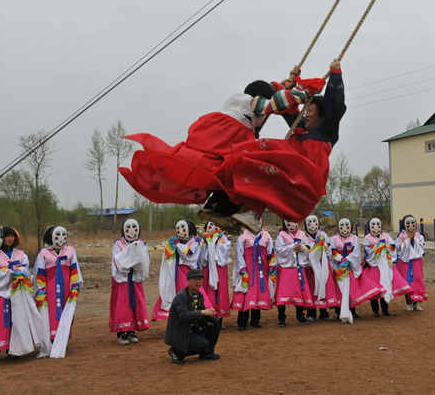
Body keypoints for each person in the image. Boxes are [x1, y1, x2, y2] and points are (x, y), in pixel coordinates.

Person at [217, 60, 345, 230]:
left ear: (321, 116)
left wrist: (335, 77)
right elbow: (289, 110)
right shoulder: (300, 128)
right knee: (255, 164)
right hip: (290, 176)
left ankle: (248, 210)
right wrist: (289, 86)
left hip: (306, 179)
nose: (305, 115)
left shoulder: (327, 131)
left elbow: (334, 105)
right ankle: (247, 211)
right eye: (305, 111)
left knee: (265, 151)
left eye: (310, 112)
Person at [119, 78, 281, 206]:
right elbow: (267, 105)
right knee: (244, 171)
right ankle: (228, 206)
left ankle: (216, 203)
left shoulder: (239, 105)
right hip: (222, 143)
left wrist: (278, 86)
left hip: (211, 140)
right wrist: (291, 96)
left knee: (222, 172)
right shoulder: (250, 104)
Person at [0, 227, 49, 360]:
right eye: (6, 236)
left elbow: (26, 269)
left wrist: (20, 271)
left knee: (18, 320)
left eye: (12, 236)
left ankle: (15, 348)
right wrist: (10, 272)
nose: (10, 239)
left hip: (18, 292)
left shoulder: (21, 254)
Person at [33, 225, 82, 358]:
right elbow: (39, 273)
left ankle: (63, 338)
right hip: (50, 290)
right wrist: (40, 290)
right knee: (50, 314)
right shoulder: (43, 253)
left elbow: (74, 269)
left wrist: (75, 287)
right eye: (57, 235)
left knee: (66, 312)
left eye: (63, 235)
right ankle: (51, 340)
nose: (61, 238)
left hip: (66, 289)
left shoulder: (70, 251)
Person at [329, 219, 382, 324]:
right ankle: (339, 311)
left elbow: (357, 253)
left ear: (351, 227)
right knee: (340, 290)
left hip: (349, 267)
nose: (344, 228)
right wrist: (339, 258)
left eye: (347, 226)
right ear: (338, 227)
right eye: (342, 226)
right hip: (339, 267)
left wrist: (348, 260)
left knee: (350, 289)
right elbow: (331, 251)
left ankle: (352, 310)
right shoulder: (334, 238)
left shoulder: (354, 238)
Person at [164, 269, 221, 365]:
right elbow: (183, 316)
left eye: (200, 279)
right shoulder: (181, 296)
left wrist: (214, 320)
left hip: (192, 328)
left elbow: (201, 314)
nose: (198, 282)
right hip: (180, 332)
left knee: (215, 324)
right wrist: (202, 312)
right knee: (203, 344)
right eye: (195, 279)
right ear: (188, 281)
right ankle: (176, 352)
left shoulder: (199, 295)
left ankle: (207, 353)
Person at [110, 218, 150, 344]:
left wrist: (136, 265)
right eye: (128, 227)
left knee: (136, 303)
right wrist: (128, 263)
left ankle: (132, 330)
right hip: (123, 279)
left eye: (135, 227)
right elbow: (117, 260)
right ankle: (122, 332)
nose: (131, 231)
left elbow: (144, 261)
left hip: (135, 279)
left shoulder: (141, 244)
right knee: (122, 304)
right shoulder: (118, 244)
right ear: (123, 230)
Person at [152, 220, 201, 320]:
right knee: (174, 292)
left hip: (188, 273)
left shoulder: (194, 242)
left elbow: (188, 254)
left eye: (182, 228)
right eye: (177, 228)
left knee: (190, 294)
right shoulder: (174, 241)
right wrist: (170, 248)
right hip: (175, 272)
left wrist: (177, 245)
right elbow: (167, 256)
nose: (179, 231)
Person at [362, 217, 411, 317]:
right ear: (369, 227)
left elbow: (393, 246)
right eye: (373, 225)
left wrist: (385, 247)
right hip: (373, 267)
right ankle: (375, 311)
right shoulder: (367, 238)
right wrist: (377, 247)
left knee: (385, 285)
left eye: (378, 225)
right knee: (375, 288)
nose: (376, 227)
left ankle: (385, 310)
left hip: (385, 265)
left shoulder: (386, 236)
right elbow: (367, 251)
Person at [231, 227, 273, 330]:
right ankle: (242, 322)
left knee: (258, 293)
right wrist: (242, 269)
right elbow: (239, 254)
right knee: (245, 294)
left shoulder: (266, 235)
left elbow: (270, 253)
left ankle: (255, 320)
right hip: (247, 271)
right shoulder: (242, 236)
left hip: (261, 271)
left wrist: (271, 266)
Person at [274, 220, 314, 327]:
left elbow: (308, 247)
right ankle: (281, 317)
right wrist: (292, 247)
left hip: (298, 268)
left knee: (299, 292)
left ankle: (300, 315)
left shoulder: (302, 234)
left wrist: (301, 248)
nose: (291, 226)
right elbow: (279, 249)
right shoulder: (281, 235)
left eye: (294, 223)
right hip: (286, 267)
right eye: (288, 224)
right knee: (283, 293)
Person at [303, 215, 340, 320]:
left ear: (318, 223)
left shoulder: (323, 234)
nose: (312, 224)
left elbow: (329, 248)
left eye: (314, 221)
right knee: (312, 288)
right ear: (306, 225)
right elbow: (305, 250)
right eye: (309, 222)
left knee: (324, 285)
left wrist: (323, 250)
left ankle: (323, 312)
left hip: (323, 265)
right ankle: (311, 313)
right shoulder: (304, 237)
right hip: (311, 268)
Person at [199, 221, 232, 319]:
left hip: (219, 268)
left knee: (220, 290)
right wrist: (206, 244)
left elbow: (226, 251)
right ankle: (208, 314)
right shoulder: (204, 239)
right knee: (207, 290)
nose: (211, 228)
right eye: (209, 226)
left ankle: (220, 315)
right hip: (208, 269)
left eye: (213, 225)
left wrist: (216, 244)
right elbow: (201, 255)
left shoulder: (222, 237)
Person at [395, 215, 428, 311]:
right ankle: (409, 303)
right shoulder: (401, 236)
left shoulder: (419, 236)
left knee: (417, 282)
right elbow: (399, 248)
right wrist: (407, 240)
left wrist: (415, 239)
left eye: (413, 223)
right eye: (408, 223)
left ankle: (416, 302)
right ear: (404, 225)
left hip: (417, 262)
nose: (410, 225)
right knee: (408, 283)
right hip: (406, 263)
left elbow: (421, 248)